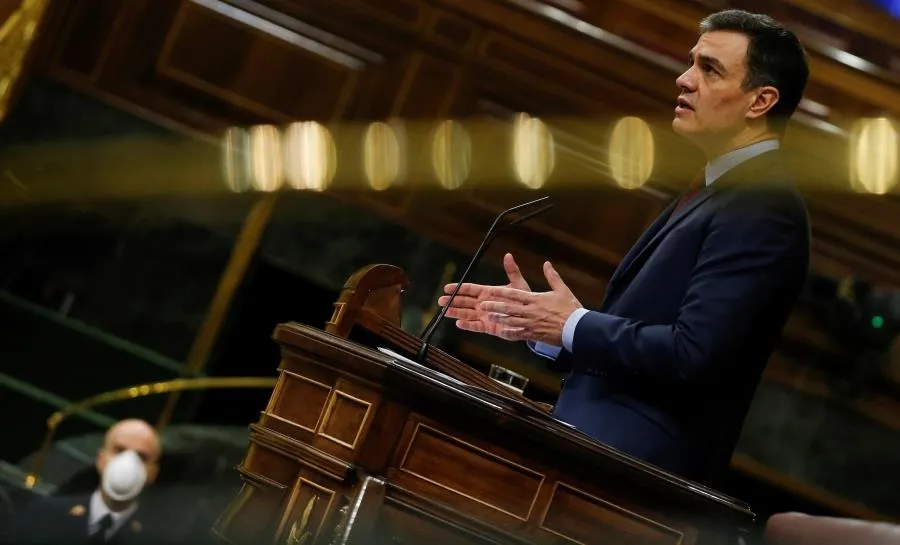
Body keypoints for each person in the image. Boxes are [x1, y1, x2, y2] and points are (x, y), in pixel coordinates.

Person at [438, 9, 811, 482]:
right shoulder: (722, 187)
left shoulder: (764, 205)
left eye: (710, 69)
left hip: (633, 476)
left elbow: (693, 355)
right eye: (691, 62)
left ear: (761, 101)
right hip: (596, 456)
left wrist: (574, 324)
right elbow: (647, 344)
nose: (684, 79)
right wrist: (548, 329)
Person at [2, 418, 162, 544]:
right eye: (119, 450)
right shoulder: (43, 514)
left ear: (153, 473)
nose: (128, 463)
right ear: (100, 459)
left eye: (142, 457)